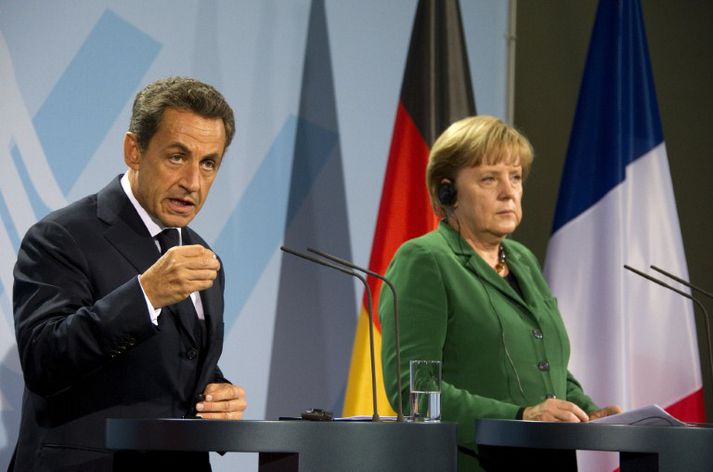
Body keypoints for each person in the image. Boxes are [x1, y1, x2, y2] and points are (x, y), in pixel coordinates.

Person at [10, 76, 247, 471]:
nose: (192, 182)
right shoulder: (61, 237)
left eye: (208, 163)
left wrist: (217, 393)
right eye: (177, 156)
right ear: (133, 150)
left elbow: (173, 362)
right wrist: (145, 295)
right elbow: (43, 360)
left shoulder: (203, 255)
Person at [380, 115, 621, 471]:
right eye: (490, 178)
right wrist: (520, 416)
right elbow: (417, 394)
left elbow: (548, 368)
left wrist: (585, 409)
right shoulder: (426, 261)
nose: (509, 192)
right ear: (448, 191)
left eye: (516, 177)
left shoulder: (521, 259)